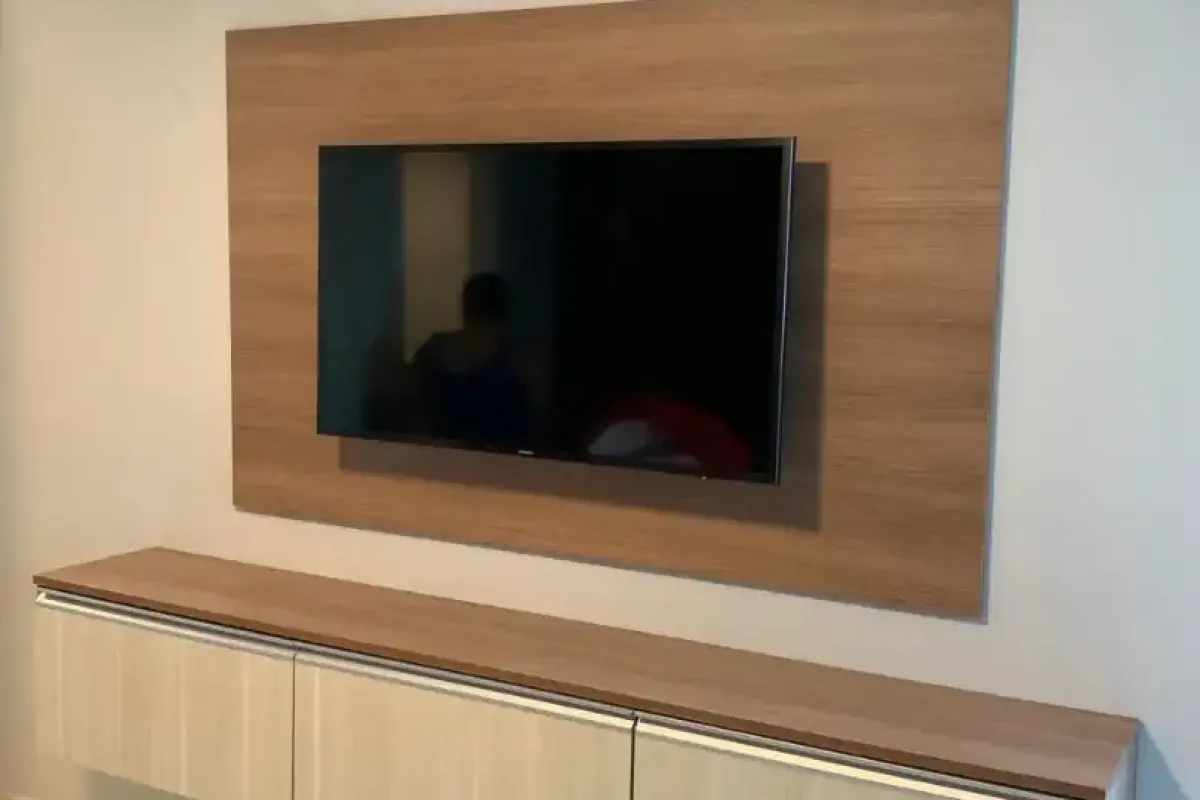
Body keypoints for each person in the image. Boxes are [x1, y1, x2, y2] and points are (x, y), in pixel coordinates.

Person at [410, 272, 542, 450]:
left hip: (447, 460)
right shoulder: (522, 361)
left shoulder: (435, 349)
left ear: (465, 310)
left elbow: (414, 418)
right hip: (498, 462)